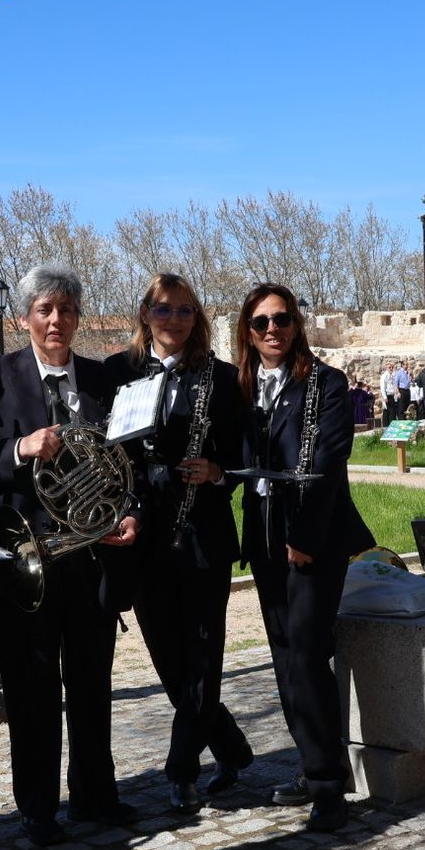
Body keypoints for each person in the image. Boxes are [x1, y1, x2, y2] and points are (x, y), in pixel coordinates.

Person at [0, 263, 139, 847]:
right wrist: (20, 446)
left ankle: (95, 794)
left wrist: (127, 511)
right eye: (44, 310)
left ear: (78, 317)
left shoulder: (102, 379)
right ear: (25, 319)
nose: (56, 320)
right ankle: (37, 808)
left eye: (66, 310)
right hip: (25, 561)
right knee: (31, 690)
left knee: (91, 683)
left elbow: (126, 461)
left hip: (91, 559)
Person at [103, 273, 252, 814]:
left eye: (185, 310)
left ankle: (182, 770)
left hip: (203, 535)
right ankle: (231, 747)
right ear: (145, 313)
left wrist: (216, 471)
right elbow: (106, 454)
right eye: (163, 309)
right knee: (169, 660)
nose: (174, 320)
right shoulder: (117, 372)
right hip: (143, 538)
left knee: (204, 656)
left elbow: (242, 454)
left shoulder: (223, 377)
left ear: (198, 318)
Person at [236, 283, 375, 832]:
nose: (273, 329)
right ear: (248, 332)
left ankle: (327, 786)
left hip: (313, 536)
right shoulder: (244, 387)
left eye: (282, 319)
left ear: (296, 324)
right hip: (266, 535)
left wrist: (304, 535)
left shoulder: (326, 383)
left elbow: (327, 462)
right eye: (261, 322)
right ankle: (311, 763)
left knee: (307, 655)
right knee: (283, 654)